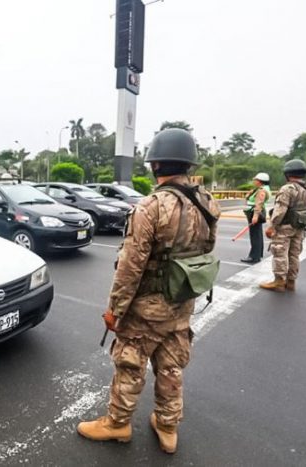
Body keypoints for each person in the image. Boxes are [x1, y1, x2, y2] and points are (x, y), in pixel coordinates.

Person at [76, 129, 221, 454]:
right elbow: (206, 249)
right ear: (187, 164)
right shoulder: (206, 201)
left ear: (156, 164)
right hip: (182, 301)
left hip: (146, 308)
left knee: (130, 364)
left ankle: (117, 423)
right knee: (171, 367)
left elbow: (130, 267)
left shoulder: (151, 206)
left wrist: (115, 309)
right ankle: (168, 427)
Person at [259, 159, 306, 292]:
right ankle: (291, 282)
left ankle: (279, 281)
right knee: (294, 254)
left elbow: (280, 211)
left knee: (280, 252)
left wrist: (271, 226)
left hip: (285, 226)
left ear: (287, 174)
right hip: (300, 226)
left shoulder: (287, 188)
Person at [241, 173, 271, 263]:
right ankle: (257, 255)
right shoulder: (261, 189)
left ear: (260, 181)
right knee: (257, 235)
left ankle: (254, 257)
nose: (254, 181)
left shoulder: (261, 191)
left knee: (255, 236)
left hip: (255, 213)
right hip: (256, 213)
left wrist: (255, 216)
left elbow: (258, 204)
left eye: (256, 180)